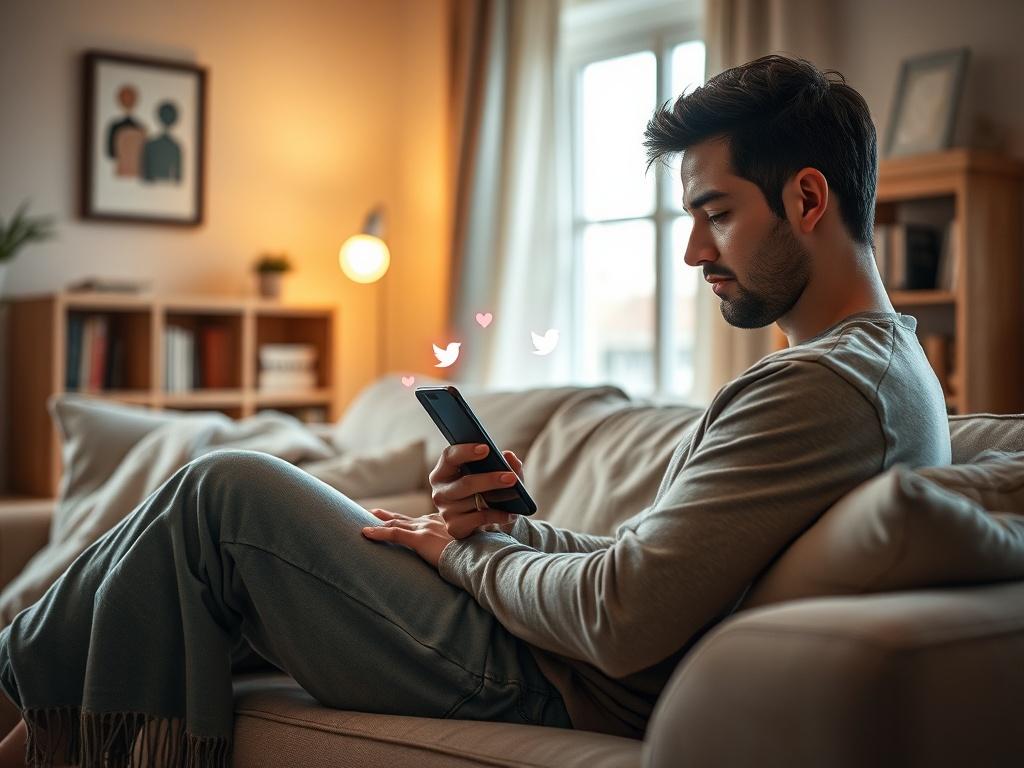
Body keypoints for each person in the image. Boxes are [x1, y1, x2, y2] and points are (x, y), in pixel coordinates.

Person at [0, 54, 950, 768]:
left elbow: (622, 620)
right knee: (213, 540)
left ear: (810, 197)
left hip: (551, 682)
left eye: (717, 213)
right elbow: (652, 572)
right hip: (556, 654)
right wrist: (514, 535)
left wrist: (465, 554)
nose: (695, 253)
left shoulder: (820, 386)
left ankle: (13, 681)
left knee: (223, 494)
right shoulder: (882, 369)